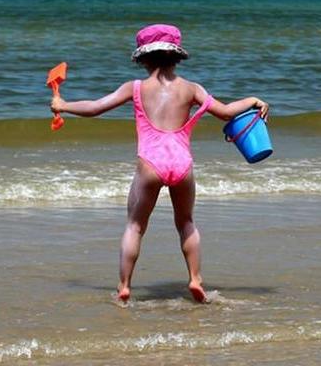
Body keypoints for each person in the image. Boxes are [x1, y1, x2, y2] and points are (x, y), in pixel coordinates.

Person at [50, 24, 269, 304]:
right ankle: (195, 279)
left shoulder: (135, 88)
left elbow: (95, 107)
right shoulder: (192, 89)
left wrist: (63, 105)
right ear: (176, 56)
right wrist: (253, 100)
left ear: (143, 58)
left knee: (135, 226)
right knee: (186, 222)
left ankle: (124, 286)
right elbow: (226, 113)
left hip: (150, 163)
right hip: (182, 163)